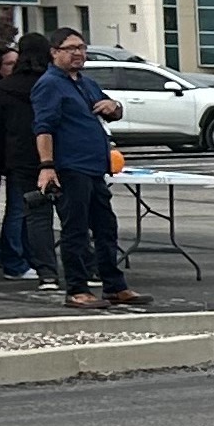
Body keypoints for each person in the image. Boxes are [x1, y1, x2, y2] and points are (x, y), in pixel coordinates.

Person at [31, 28, 143, 311]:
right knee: (76, 230)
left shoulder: (86, 83)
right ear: (55, 52)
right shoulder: (49, 84)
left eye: (82, 48)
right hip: (71, 167)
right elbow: (43, 127)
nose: (78, 53)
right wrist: (47, 166)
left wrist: (114, 106)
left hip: (95, 167)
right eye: (71, 48)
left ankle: (115, 286)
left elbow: (113, 111)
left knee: (106, 227)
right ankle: (77, 288)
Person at [0, 38, 46, 283]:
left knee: (16, 211)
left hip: (15, 156)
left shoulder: (4, 89)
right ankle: (25, 259)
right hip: (43, 154)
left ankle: (14, 260)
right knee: (35, 212)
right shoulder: (46, 84)